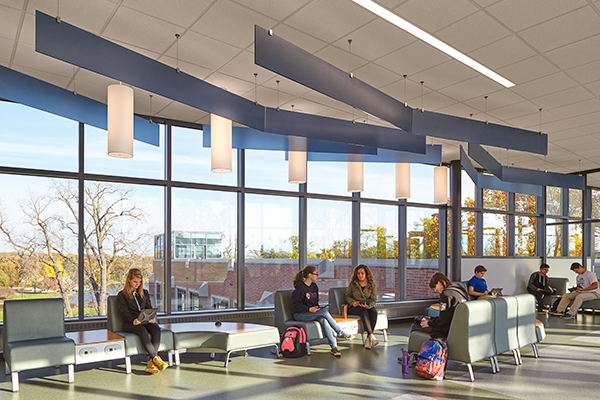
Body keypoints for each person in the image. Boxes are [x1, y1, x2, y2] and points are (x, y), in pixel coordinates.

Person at [291, 266, 352, 357]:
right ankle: (340, 332)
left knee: (324, 319)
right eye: (316, 274)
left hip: (312, 313)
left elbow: (315, 302)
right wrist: (309, 309)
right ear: (309, 275)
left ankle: (334, 347)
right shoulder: (300, 289)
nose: (318, 276)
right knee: (324, 312)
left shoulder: (314, 286)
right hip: (300, 314)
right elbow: (296, 306)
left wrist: (316, 308)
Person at [117, 268, 168, 374]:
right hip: (130, 323)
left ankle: (151, 363)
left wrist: (151, 317)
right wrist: (133, 320)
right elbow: (124, 312)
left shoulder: (144, 293)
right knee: (142, 331)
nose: (138, 284)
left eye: (139, 282)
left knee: (156, 329)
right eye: (135, 282)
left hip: (144, 321)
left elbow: (149, 307)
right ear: (129, 280)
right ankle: (155, 358)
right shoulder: (122, 295)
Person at [410, 273, 468, 339]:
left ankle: (423, 348)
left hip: (446, 331)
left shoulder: (446, 295)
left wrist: (429, 323)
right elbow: (449, 316)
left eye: (435, 286)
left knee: (415, 326)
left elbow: (444, 322)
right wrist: (432, 319)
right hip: (458, 328)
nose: (435, 290)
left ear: (440, 282)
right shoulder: (460, 290)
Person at [345, 264, 378, 349]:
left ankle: (368, 338)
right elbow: (347, 296)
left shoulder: (372, 284)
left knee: (373, 311)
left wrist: (367, 306)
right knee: (362, 311)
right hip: (354, 307)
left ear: (366, 274)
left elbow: (373, 299)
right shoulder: (353, 284)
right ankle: (371, 336)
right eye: (358, 273)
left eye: (362, 273)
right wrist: (353, 303)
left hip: (366, 306)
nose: (360, 275)